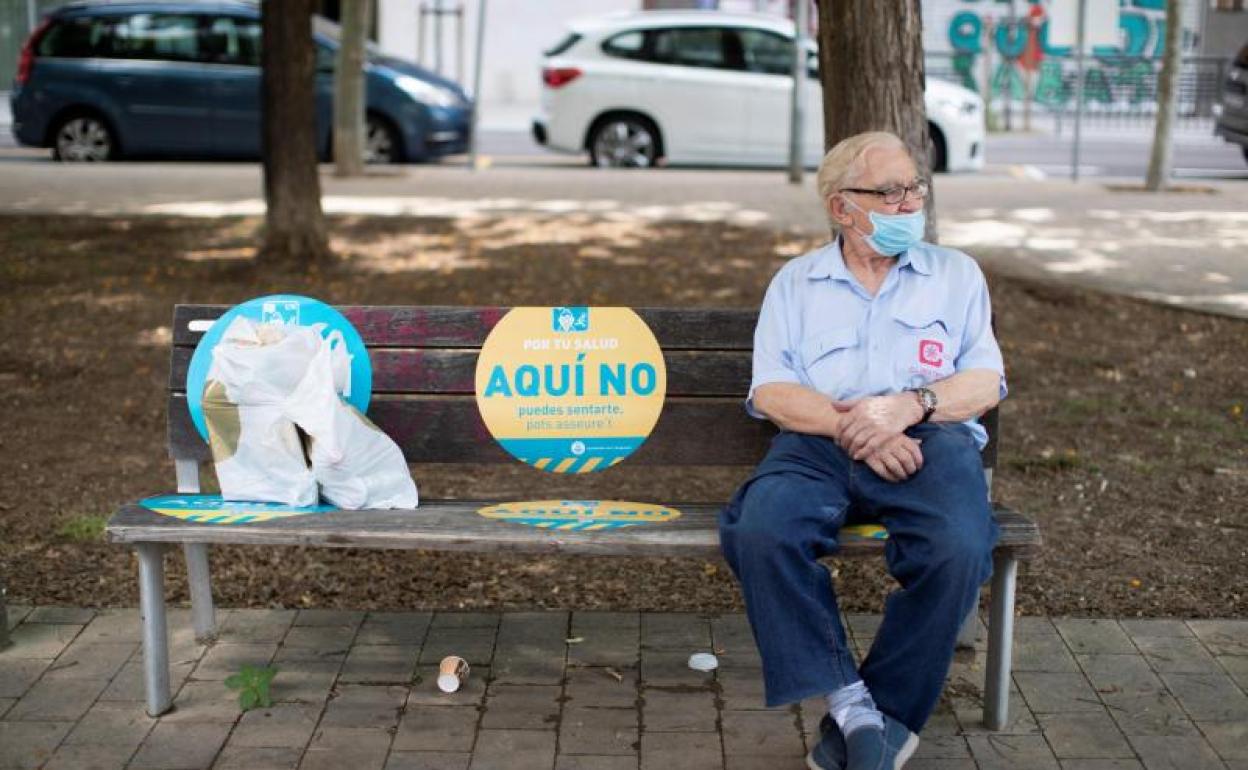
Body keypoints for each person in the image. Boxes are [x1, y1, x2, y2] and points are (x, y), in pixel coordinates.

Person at [718, 131, 1007, 770]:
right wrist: (861, 427)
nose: (911, 204)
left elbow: (984, 381)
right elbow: (770, 391)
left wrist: (907, 409)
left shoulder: (956, 275)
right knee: (762, 529)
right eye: (891, 191)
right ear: (842, 207)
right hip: (820, 442)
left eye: (915, 188)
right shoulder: (796, 283)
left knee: (959, 547)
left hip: (928, 441)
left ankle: (889, 710)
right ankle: (854, 706)